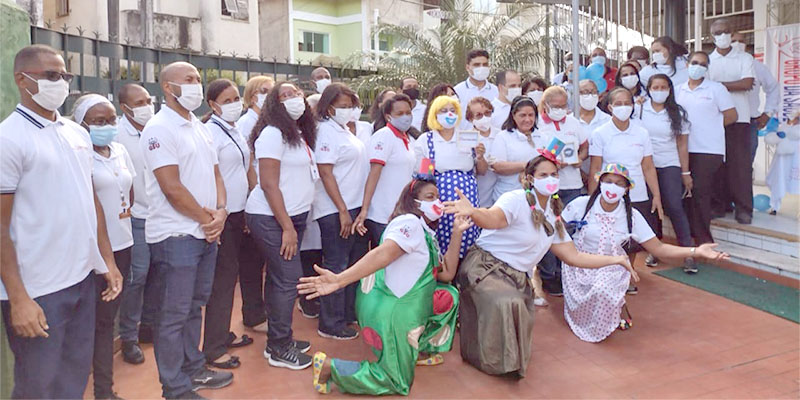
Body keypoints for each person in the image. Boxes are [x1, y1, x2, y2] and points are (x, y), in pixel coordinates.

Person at [443, 153, 638, 377]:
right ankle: (487, 360)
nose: (550, 179)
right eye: (543, 174)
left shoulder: (554, 216)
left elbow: (574, 256)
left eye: (554, 174)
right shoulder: (514, 199)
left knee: (518, 307)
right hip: (485, 267)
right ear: (529, 179)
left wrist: (615, 259)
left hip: (516, 275)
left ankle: (507, 361)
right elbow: (493, 218)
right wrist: (474, 212)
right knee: (508, 302)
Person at [1, 44, 121, 399]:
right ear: (23, 80)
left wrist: (107, 261)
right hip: (39, 289)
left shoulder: (75, 132)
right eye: (51, 76)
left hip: (82, 280)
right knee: (38, 384)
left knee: (72, 377)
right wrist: (19, 297)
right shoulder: (8, 139)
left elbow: (91, 201)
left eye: (65, 75)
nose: (62, 82)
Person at [301, 174, 468, 395]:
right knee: (396, 381)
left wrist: (457, 232)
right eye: (430, 197)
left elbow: (446, 274)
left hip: (407, 307)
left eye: (438, 197)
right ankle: (330, 368)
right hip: (394, 312)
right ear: (413, 201)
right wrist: (339, 280)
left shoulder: (425, 231)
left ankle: (418, 350)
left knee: (448, 295)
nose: (436, 202)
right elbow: (385, 252)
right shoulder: (409, 223)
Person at [140, 61, 231, 399]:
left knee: (195, 306)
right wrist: (208, 220)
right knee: (173, 314)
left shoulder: (199, 125)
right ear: (168, 87)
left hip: (205, 233)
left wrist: (221, 212)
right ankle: (174, 386)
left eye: (197, 78)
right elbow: (171, 187)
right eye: (188, 79)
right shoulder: (159, 128)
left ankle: (194, 369)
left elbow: (216, 174)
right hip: (176, 236)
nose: (196, 84)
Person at [561, 164, 728, 342]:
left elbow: (659, 248)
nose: (612, 187)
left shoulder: (632, 216)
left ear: (626, 190)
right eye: (608, 181)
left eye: (619, 184)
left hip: (613, 266)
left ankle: (613, 307)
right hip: (580, 264)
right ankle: (615, 304)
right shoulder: (580, 205)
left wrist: (696, 251)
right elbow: (556, 229)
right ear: (600, 183)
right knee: (583, 307)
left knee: (602, 290)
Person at [246, 81, 318, 370]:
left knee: (279, 279)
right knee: (289, 279)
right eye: (285, 95)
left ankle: (278, 339)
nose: (293, 99)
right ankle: (279, 347)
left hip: (293, 217)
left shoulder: (298, 133)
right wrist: (287, 227)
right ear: (275, 104)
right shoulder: (272, 134)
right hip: (272, 218)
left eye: (296, 93)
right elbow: (268, 184)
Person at [73, 94, 134, 400]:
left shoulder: (121, 150)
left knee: (107, 321)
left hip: (123, 244)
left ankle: (104, 391)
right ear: (82, 124)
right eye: (99, 121)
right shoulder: (79, 155)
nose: (108, 126)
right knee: (91, 323)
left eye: (111, 120)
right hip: (93, 251)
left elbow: (129, 191)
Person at [200, 79, 260, 370]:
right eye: (227, 99)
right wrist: (219, 213)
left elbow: (246, 167)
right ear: (212, 105)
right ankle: (212, 347)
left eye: (237, 97)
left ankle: (222, 333)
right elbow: (211, 176)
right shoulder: (209, 133)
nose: (235, 103)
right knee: (222, 283)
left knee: (231, 276)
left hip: (239, 212)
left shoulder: (234, 129)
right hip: (221, 215)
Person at [588, 88, 663, 288]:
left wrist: (655, 195)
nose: (624, 107)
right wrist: (592, 197)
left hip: (636, 194)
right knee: (608, 235)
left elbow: (647, 166)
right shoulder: (600, 133)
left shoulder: (641, 132)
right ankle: (605, 273)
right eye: (618, 103)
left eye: (627, 103)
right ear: (610, 107)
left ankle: (628, 274)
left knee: (631, 237)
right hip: (609, 193)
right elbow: (595, 167)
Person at [313, 83, 369, 340]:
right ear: (329, 107)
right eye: (343, 106)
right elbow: (325, 173)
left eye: (351, 106)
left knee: (352, 265)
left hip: (353, 207)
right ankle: (330, 323)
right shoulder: (325, 132)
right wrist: (342, 210)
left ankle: (346, 314)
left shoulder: (344, 131)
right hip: (336, 210)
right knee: (336, 264)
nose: (348, 111)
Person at [675, 51, 737, 245]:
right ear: (687, 64)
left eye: (702, 64)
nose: (697, 66)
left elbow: (731, 115)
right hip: (682, 149)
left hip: (709, 150)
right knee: (683, 194)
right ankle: (687, 237)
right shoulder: (677, 90)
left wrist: (712, 128)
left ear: (707, 68)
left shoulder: (716, 89)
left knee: (700, 192)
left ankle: (703, 239)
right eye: (694, 62)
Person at [637, 74, 695, 272]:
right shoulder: (639, 109)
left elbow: (682, 144)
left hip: (669, 163)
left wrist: (685, 172)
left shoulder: (677, 112)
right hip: (644, 165)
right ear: (649, 89)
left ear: (670, 90)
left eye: (664, 87)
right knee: (652, 207)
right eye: (655, 87)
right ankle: (656, 248)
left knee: (674, 205)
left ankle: (687, 252)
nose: (659, 91)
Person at [415, 95, 486, 258]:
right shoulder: (427, 140)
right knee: (442, 237)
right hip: (440, 198)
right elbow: (424, 174)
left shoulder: (468, 136)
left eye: (453, 111)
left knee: (467, 234)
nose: (449, 114)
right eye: (444, 111)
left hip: (467, 197)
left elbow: (481, 170)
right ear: (435, 114)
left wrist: (480, 156)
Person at [116, 83, 156, 365]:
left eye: (147, 100)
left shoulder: (157, 128)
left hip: (163, 214)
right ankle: (129, 337)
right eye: (138, 102)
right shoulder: (117, 135)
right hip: (137, 217)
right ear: (125, 107)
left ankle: (150, 326)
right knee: (137, 276)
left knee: (161, 273)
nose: (146, 106)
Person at [708, 18, 756, 225]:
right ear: (712, 37)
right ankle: (719, 205)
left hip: (740, 118)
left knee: (740, 165)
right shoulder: (708, 61)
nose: (722, 36)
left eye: (726, 31)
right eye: (718, 33)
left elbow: (747, 83)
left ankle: (744, 209)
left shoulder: (744, 57)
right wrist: (727, 86)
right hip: (713, 119)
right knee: (717, 164)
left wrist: (717, 85)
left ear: (732, 32)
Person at [353, 94, 417, 247]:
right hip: (382, 213)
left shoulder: (406, 138)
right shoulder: (384, 136)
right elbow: (374, 173)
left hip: (400, 211)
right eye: (399, 113)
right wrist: (365, 209)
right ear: (388, 116)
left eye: (408, 112)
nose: (406, 117)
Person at [236, 75, 274, 334]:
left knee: (267, 261)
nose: (269, 95)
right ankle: (253, 313)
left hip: (271, 200)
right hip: (254, 200)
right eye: (264, 91)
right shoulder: (245, 124)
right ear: (252, 96)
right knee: (251, 263)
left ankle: (265, 310)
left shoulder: (269, 122)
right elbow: (247, 166)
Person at [731, 32, 780, 162]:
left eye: (741, 41)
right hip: (725, 122)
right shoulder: (716, 64)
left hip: (749, 122)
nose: (738, 44)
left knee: (745, 163)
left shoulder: (757, 66)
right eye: (734, 40)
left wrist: (768, 113)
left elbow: (773, 88)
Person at [537, 86, 588, 205]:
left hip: (572, 183)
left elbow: (585, 146)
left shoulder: (573, 122)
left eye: (563, 106)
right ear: (545, 104)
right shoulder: (538, 123)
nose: (559, 110)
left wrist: (580, 158)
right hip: (548, 183)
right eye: (555, 106)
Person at [490, 96, 548, 200]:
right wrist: (527, 165)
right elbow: (497, 166)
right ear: (513, 116)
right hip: (508, 195)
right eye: (522, 115)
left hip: (537, 195)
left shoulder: (543, 137)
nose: (527, 119)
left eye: (531, 115)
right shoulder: (503, 137)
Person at [465, 96, 498, 207]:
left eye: (488, 113)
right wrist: (480, 158)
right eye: (479, 115)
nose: (484, 118)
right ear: (470, 118)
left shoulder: (501, 135)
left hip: (499, 193)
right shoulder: (467, 138)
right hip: (479, 194)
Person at [577, 79, 612, 180]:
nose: (590, 95)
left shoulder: (607, 120)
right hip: (576, 177)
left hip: (603, 177)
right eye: (585, 92)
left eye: (593, 92)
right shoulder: (570, 120)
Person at [454, 49, 499, 127]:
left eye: (485, 64)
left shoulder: (496, 91)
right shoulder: (457, 91)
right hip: (465, 137)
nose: (481, 68)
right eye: (477, 65)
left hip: (490, 138)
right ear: (468, 67)